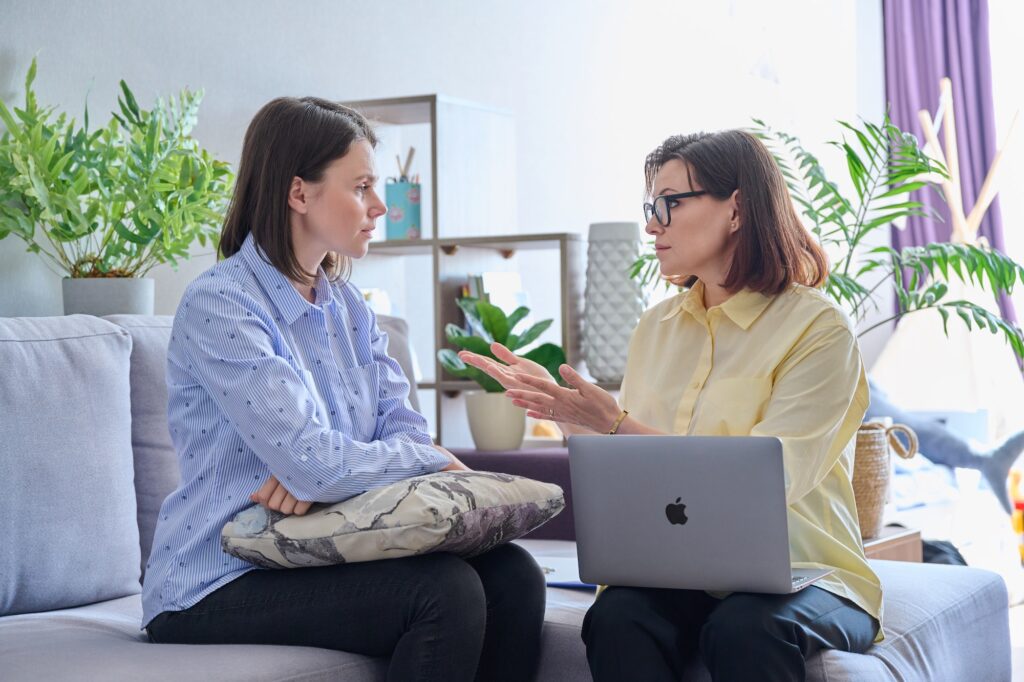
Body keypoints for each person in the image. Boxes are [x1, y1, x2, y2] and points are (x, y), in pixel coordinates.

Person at [141, 97, 545, 682]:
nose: (379, 206)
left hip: (317, 547)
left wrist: (328, 473)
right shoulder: (222, 304)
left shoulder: (347, 306)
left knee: (515, 576)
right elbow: (331, 463)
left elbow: (384, 434)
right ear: (298, 193)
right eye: (361, 187)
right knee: (444, 591)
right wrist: (403, 462)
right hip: (217, 577)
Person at [459, 130, 881, 681]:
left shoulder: (817, 328)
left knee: (745, 628)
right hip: (683, 571)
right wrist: (571, 420)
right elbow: (642, 475)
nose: (652, 224)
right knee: (616, 616)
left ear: (736, 208)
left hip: (810, 574)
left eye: (670, 203)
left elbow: (764, 480)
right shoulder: (656, 327)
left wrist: (612, 422)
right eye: (649, 207)